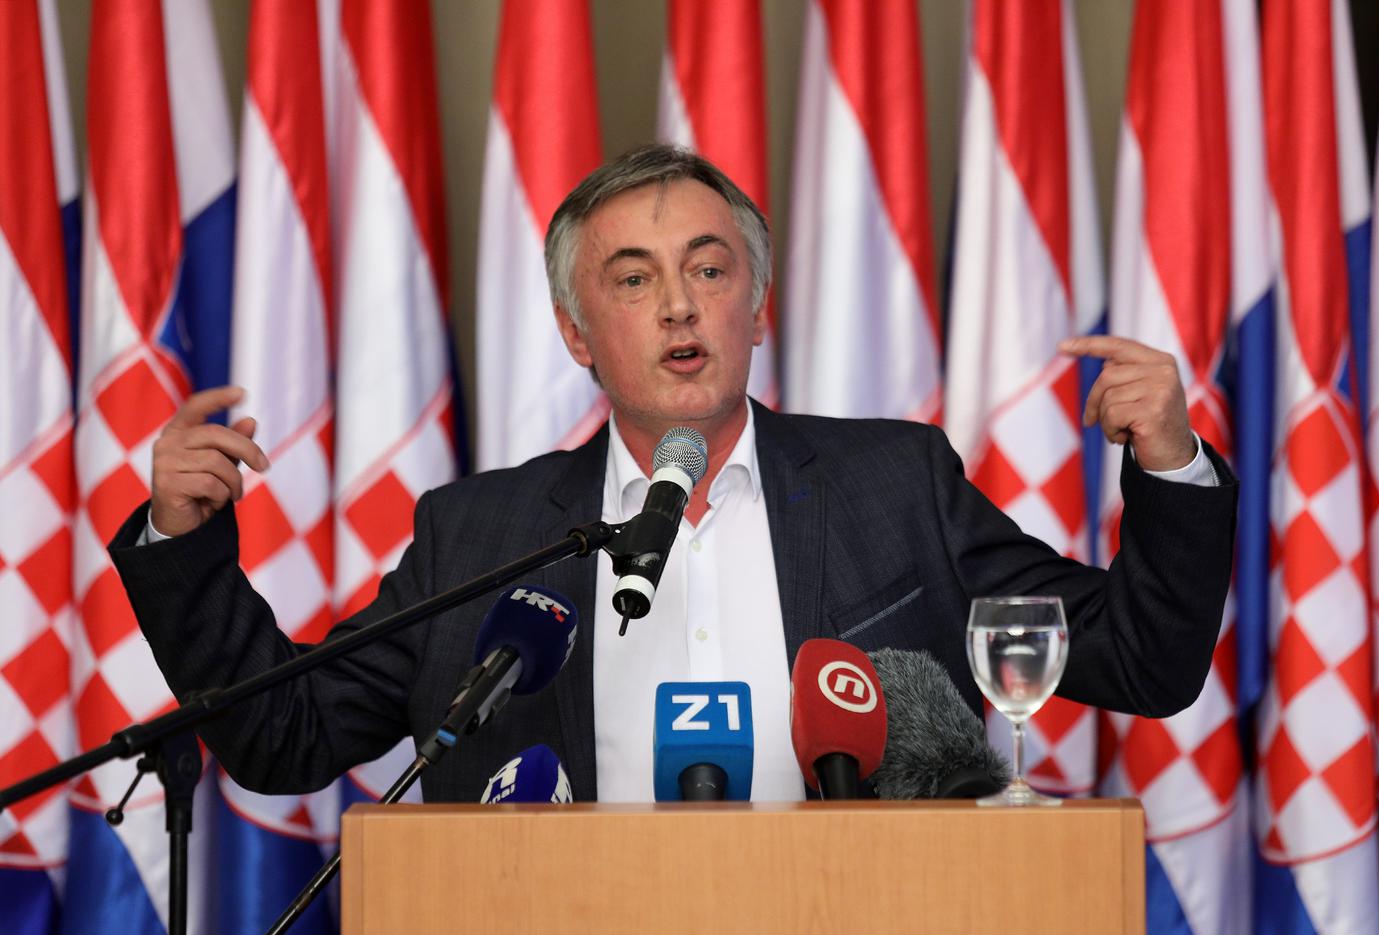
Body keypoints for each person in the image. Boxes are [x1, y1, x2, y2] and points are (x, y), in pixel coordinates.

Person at [108, 144, 1236, 803]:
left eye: (709, 269)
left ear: (759, 306)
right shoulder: (483, 532)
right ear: (577, 333)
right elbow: (288, 738)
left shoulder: (896, 485)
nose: (681, 307)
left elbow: (1141, 660)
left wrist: (1171, 465)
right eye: (635, 280)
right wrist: (182, 545)